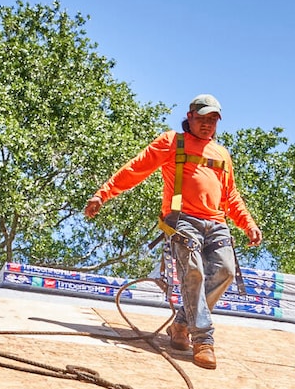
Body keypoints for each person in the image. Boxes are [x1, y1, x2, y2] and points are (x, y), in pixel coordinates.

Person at [84, 94, 262, 370]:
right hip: (182, 220)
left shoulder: (222, 153)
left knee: (225, 272)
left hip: (217, 223)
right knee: (193, 272)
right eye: (202, 118)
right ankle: (203, 339)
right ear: (190, 116)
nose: (207, 125)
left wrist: (248, 224)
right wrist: (103, 194)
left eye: (212, 120)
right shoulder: (172, 142)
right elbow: (135, 169)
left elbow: (231, 195)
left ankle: (180, 324)